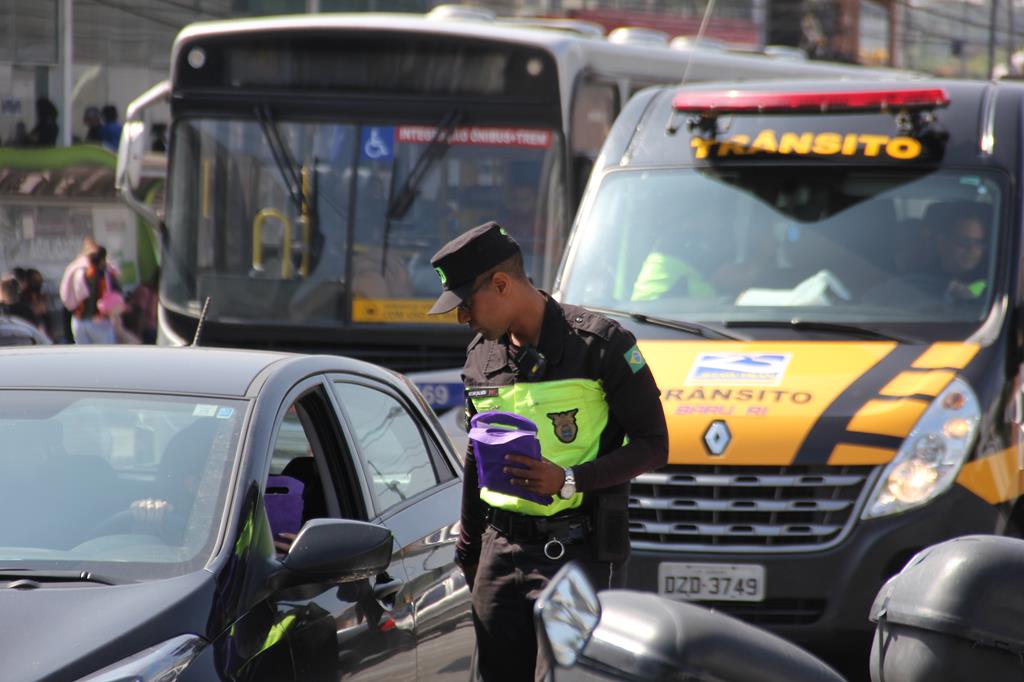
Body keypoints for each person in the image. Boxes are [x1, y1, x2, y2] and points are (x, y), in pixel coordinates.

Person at [427, 222, 668, 682]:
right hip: (498, 555)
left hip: (576, 554)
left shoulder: (600, 346)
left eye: (466, 305)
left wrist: (569, 479)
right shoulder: (480, 356)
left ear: (501, 284)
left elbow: (654, 446)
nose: (463, 319)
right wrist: (469, 552)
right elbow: (476, 459)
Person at [930, 203, 991, 301]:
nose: (973, 249)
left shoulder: (994, 285)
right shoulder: (922, 278)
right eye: (965, 241)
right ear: (942, 242)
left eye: (978, 243)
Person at [65, 245, 122, 344]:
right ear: (103, 259)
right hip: (99, 322)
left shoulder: (77, 272)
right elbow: (117, 292)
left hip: (78, 321)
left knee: (84, 356)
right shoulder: (105, 273)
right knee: (105, 355)